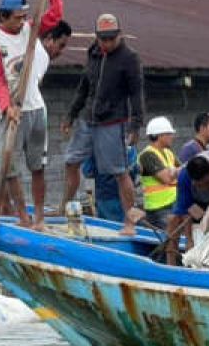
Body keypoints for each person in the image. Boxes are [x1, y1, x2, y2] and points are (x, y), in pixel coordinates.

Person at [0, 0, 64, 230]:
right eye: (16, 18)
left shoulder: (29, 30)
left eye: (22, 17)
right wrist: (8, 106)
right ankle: (22, 216)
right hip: (10, 110)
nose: (21, 22)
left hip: (34, 108)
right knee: (9, 167)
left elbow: (55, 15)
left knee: (37, 164)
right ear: (3, 16)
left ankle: (39, 216)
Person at [61, 12, 146, 235]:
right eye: (103, 39)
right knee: (71, 161)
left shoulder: (129, 58)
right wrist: (71, 114)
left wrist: (136, 124)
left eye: (111, 39)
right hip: (88, 118)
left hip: (113, 121)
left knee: (119, 172)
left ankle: (130, 222)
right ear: (96, 37)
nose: (107, 43)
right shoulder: (94, 53)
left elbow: (136, 93)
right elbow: (84, 86)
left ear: (120, 35)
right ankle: (64, 209)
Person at [166, 153, 209, 265]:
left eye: (207, 183)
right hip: (199, 201)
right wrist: (189, 240)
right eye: (200, 185)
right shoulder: (184, 177)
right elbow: (184, 210)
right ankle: (170, 265)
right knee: (173, 220)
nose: (205, 187)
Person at [138, 116, 180, 231]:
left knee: (174, 239)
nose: (172, 137)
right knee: (168, 241)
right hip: (159, 209)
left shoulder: (168, 152)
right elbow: (166, 178)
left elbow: (184, 170)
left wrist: (174, 171)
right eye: (169, 134)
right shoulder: (147, 155)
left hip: (172, 204)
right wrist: (174, 171)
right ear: (160, 135)